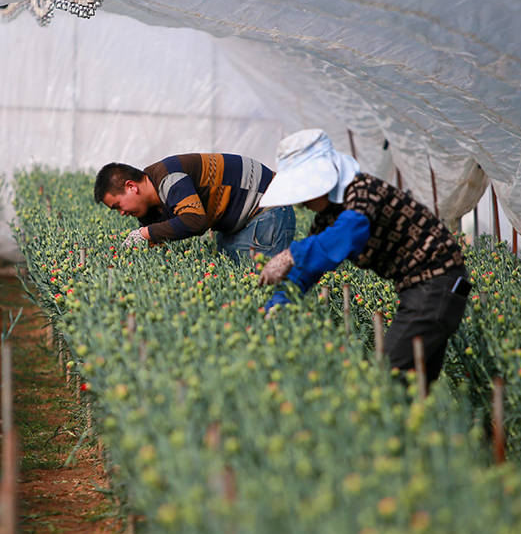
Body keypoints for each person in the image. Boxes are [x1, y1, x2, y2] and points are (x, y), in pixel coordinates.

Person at [257, 129, 470, 382]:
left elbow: (348, 235)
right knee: (413, 385)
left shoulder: (362, 191)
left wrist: (289, 254)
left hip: (437, 283)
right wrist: (275, 308)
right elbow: (306, 271)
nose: (302, 204)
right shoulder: (329, 216)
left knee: (388, 378)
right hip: (423, 289)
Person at [94, 153, 295, 262]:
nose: (121, 213)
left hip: (266, 207)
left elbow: (195, 221)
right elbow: (160, 235)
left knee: (262, 279)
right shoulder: (151, 206)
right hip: (239, 220)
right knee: (235, 269)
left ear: (131, 187)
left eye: (118, 205)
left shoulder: (169, 177)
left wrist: (146, 234)